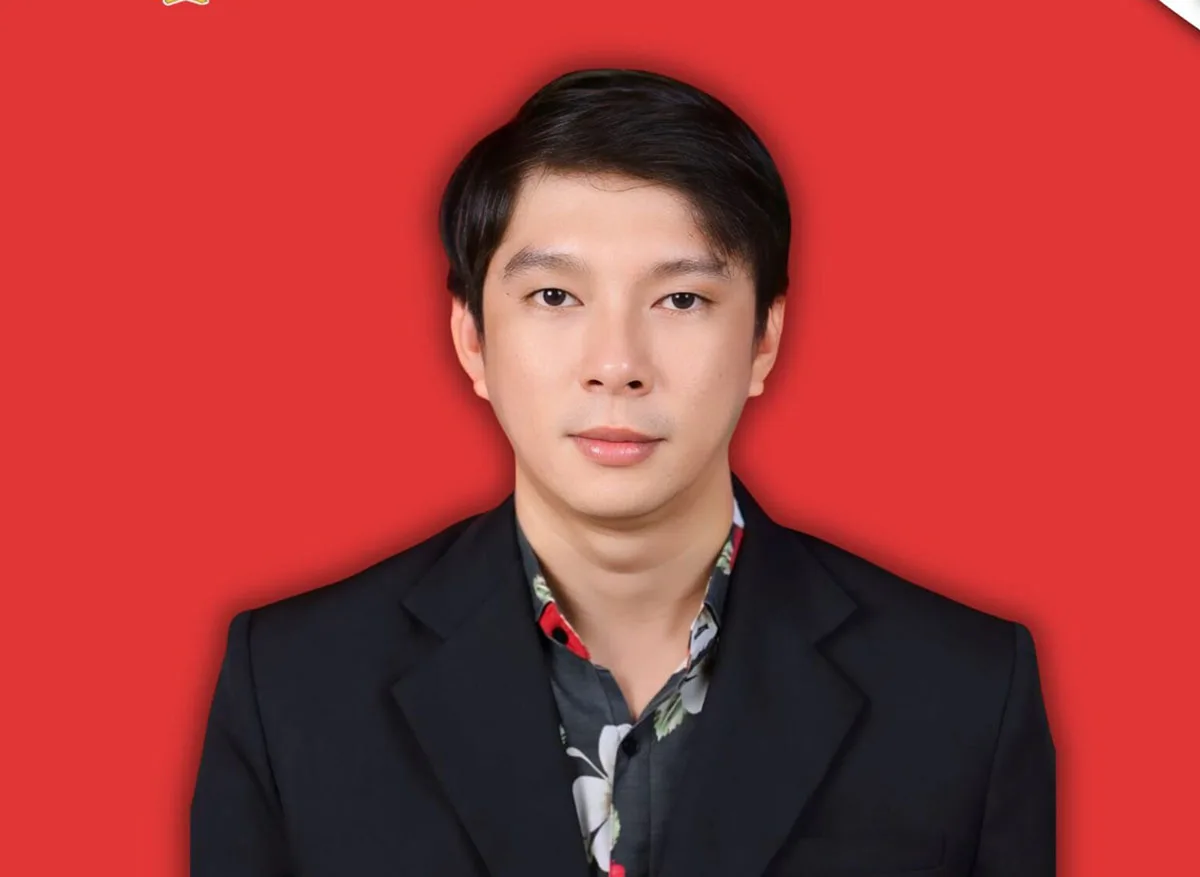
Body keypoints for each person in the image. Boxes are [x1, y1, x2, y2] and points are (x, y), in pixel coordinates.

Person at [190, 68, 1055, 877]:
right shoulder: (295, 686)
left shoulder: (963, 692)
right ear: (472, 338)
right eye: (555, 297)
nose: (616, 365)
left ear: (764, 337)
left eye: (681, 299)